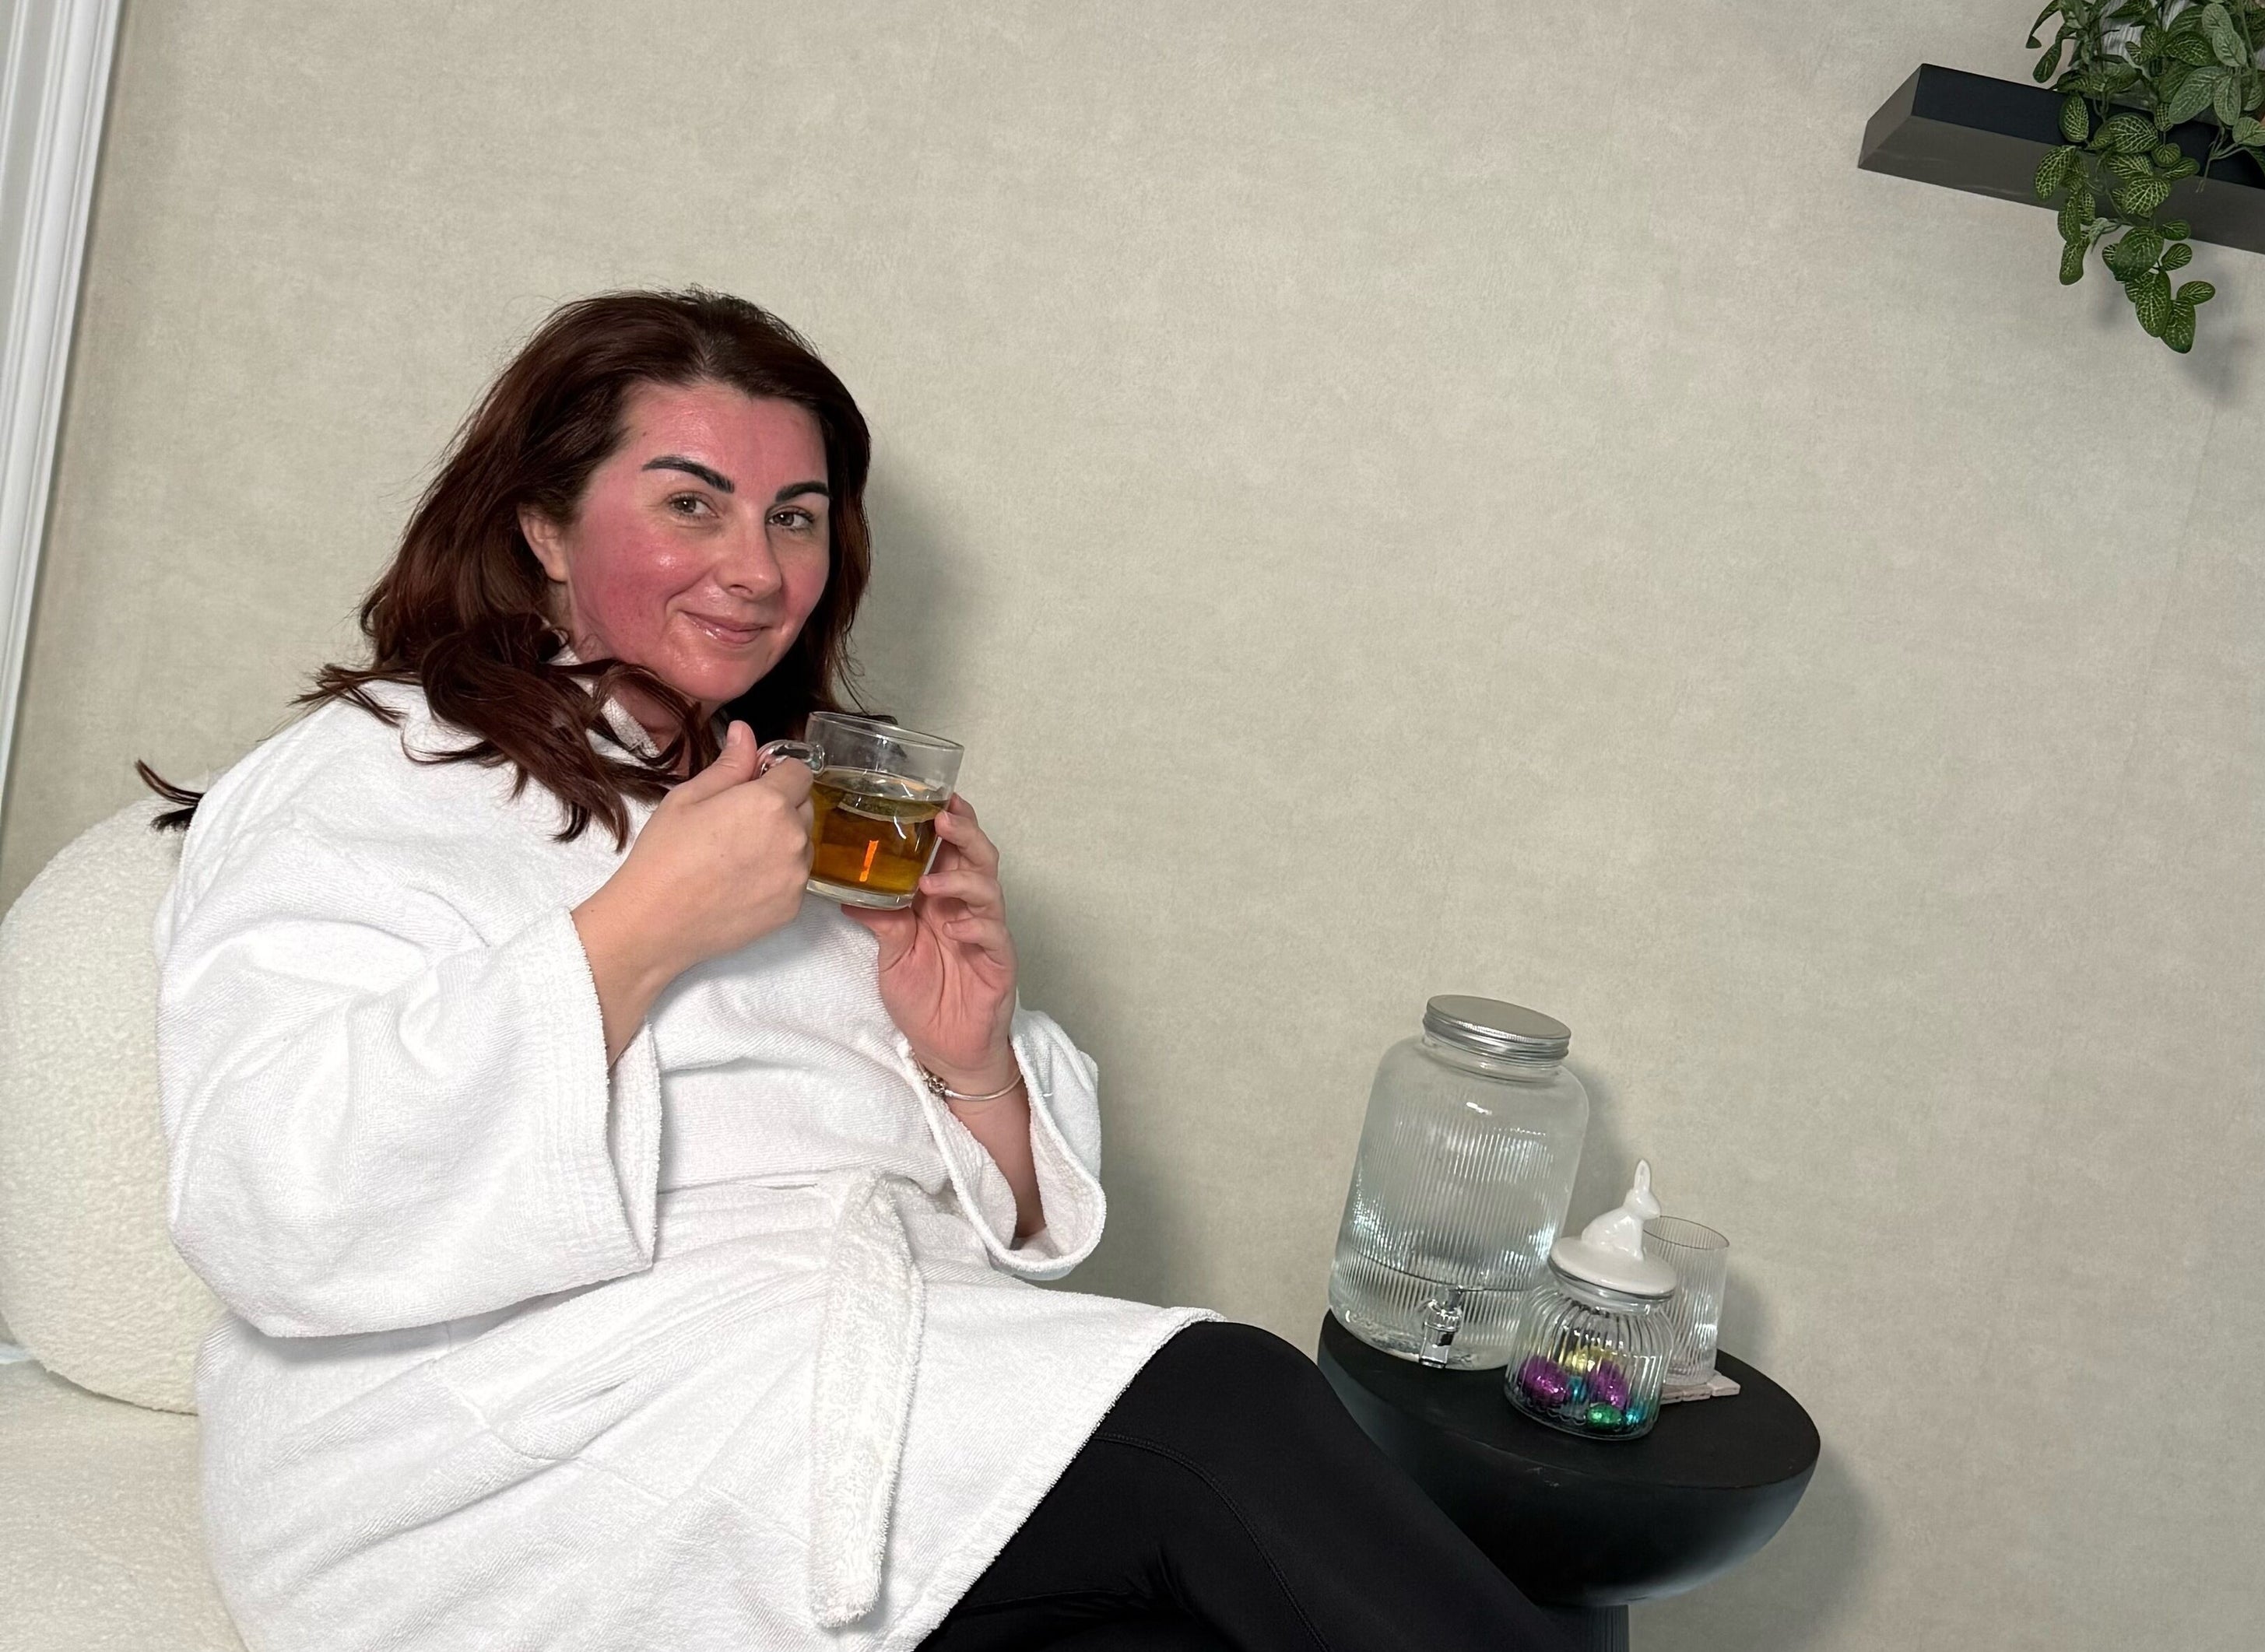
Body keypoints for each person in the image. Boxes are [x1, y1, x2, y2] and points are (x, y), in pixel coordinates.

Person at [151, 289, 1558, 1651]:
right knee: (1217, 1405)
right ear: (542, 525)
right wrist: (637, 931)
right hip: (501, 1453)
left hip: (828, 1389)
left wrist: (970, 1054)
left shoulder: (803, 797)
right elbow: (269, 1197)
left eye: (796, 516)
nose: (757, 568)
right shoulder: (363, 778)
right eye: (689, 501)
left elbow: (999, 1214)